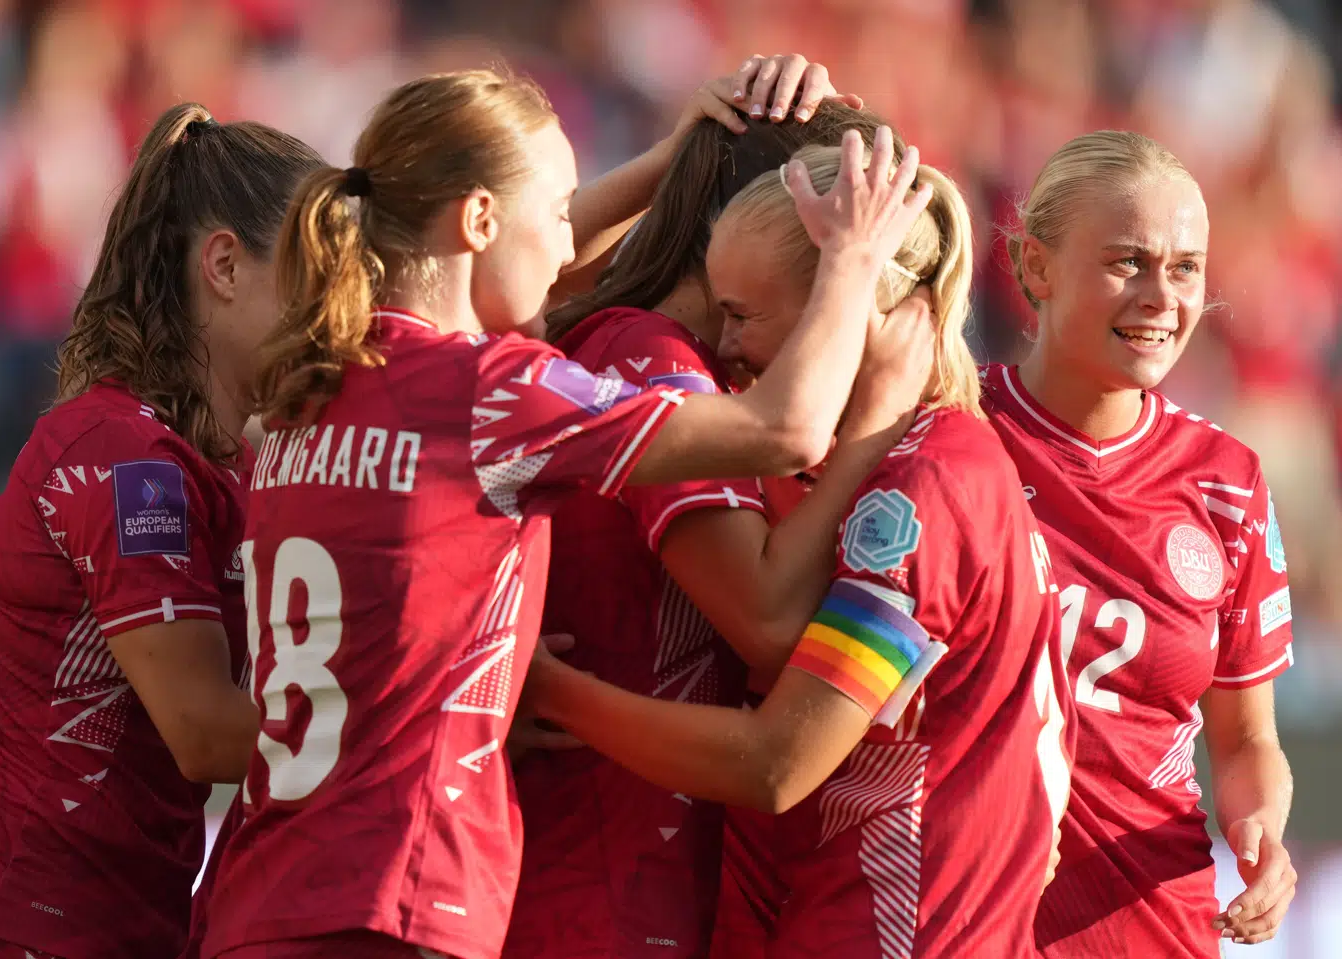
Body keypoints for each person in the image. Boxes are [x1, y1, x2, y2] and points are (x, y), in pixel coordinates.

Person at [197, 66, 930, 959]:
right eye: (559, 211)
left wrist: (676, 164)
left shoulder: (302, 389)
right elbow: (788, 426)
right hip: (402, 886)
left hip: (258, 890)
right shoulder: (491, 390)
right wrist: (852, 262)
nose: (573, 245)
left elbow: (494, 264)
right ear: (477, 219)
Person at [524, 143, 1073, 959]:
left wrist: (545, 689)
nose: (722, 345)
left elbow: (777, 764)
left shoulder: (922, 489)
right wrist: (680, 153)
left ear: (848, 303)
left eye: (743, 315)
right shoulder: (881, 465)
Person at [504, 96, 913, 959]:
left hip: (645, 882)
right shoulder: (649, 354)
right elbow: (765, 620)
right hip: (592, 889)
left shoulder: (697, 364)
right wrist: (878, 414)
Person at [0, 105, 325, 959]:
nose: (339, 312)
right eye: (316, 277)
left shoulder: (219, 460)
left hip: (131, 919)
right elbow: (206, 731)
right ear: (222, 266)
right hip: (38, 923)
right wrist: (421, 720)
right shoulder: (127, 457)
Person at [986, 129, 1298, 954]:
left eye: (1186, 267)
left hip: (1155, 929)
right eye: (1129, 260)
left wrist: (1261, 831)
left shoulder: (1228, 479)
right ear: (1035, 267)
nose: (1165, 295)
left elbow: (1245, 739)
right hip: (967, 923)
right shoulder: (951, 435)